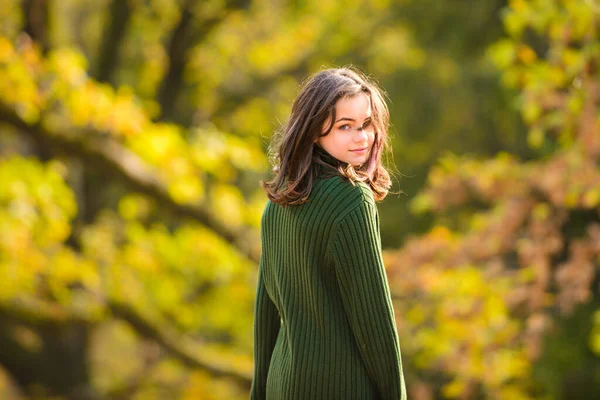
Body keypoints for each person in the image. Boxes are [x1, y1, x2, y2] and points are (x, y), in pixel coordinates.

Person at [251, 67, 407, 400]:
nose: (362, 137)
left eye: (366, 124)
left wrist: (258, 392)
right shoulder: (352, 200)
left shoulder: (276, 206)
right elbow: (374, 321)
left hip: (282, 384)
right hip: (339, 387)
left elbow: (265, 316)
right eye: (345, 126)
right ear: (313, 131)